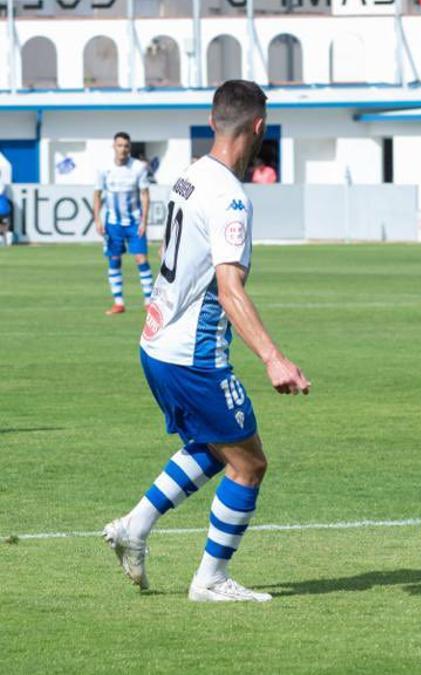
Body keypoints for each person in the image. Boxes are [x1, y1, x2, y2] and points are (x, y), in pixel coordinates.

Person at [102, 80, 311, 603]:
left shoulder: (190, 175)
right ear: (259, 128)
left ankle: (134, 526)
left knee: (216, 449)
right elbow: (228, 286)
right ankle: (210, 580)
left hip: (155, 343)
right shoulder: (231, 199)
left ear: (213, 120)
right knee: (249, 462)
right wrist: (273, 357)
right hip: (192, 357)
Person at [93, 132, 152, 315]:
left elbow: (144, 194)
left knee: (141, 258)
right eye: (120, 145)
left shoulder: (138, 168)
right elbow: (97, 195)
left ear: (130, 148)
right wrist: (97, 219)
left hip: (134, 221)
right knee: (114, 259)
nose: (123, 149)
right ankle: (119, 303)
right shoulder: (104, 169)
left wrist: (144, 220)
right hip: (113, 223)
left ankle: (149, 301)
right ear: (114, 146)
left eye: (126, 146)